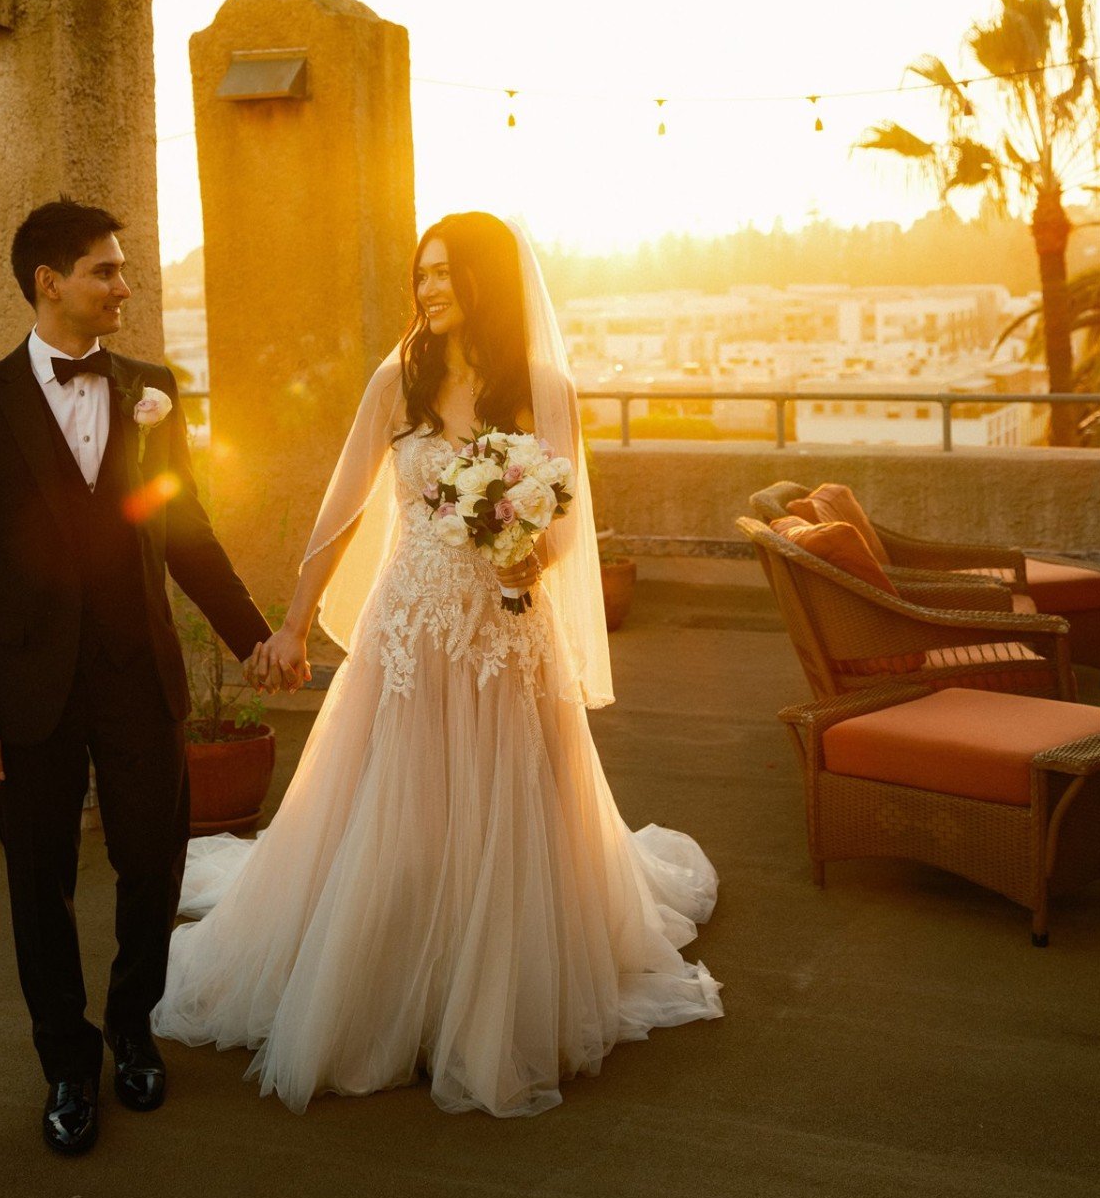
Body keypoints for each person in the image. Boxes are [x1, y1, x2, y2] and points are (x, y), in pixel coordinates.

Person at [154, 211, 722, 1117]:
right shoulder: (399, 378)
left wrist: (529, 558)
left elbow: (565, 519)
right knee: (398, 803)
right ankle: (385, 976)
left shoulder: (542, 384)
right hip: (409, 629)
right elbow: (341, 510)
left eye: (449, 274)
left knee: (507, 801)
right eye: (422, 275)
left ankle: (486, 988)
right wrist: (293, 626)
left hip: (505, 632)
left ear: (489, 282)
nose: (429, 291)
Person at [0, 199, 277, 1155]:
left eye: (123, 271)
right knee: (38, 884)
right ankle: (67, 1065)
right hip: (25, 694)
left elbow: (185, 529)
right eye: (106, 271)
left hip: (135, 677)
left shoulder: (153, 390)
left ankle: (132, 1028)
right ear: (51, 283)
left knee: (150, 866)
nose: (125, 286)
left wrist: (255, 637)